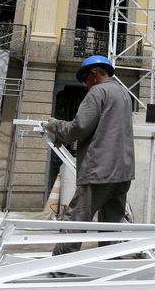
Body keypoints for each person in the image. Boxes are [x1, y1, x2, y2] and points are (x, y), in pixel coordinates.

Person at [43, 54, 135, 256]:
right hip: (123, 171)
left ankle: (60, 265)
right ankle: (112, 263)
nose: (85, 86)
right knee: (112, 222)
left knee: (77, 217)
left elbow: (78, 129)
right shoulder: (123, 94)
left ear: (93, 74)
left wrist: (54, 125)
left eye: (85, 80)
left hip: (99, 170)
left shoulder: (97, 92)